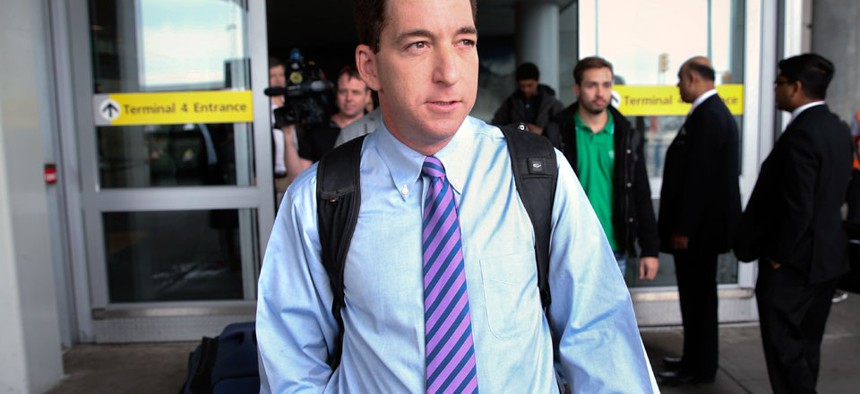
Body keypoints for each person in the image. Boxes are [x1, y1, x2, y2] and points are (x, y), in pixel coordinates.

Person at [256, 0, 659, 392]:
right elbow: (290, 364)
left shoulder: (538, 174)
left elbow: (601, 339)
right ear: (370, 66)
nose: (449, 72)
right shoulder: (319, 199)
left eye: (464, 42)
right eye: (419, 44)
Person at [734, 53, 853, 394]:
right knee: (806, 345)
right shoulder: (837, 128)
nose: (774, 89)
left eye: (779, 83)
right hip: (827, 259)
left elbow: (797, 207)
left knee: (785, 349)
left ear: (796, 87)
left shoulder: (802, 134)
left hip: (794, 265)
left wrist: (778, 256)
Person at [657, 56, 741, 384]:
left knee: (699, 302)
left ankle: (699, 369)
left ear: (692, 78)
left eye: (679, 79)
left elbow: (699, 179)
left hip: (698, 234)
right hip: (699, 232)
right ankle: (693, 359)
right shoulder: (710, 113)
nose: (677, 86)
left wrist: (683, 229)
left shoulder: (709, 116)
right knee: (695, 301)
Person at [543, 56, 659, 281]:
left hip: (614, 249)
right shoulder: (557, 132)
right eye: (591, 85)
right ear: (577, 89)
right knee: (571, 317)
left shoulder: (627, 135)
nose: (600, 93)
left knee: (614, 316)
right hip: (570, 248)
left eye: (606, 85)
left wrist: (650, 249)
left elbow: (640, 192)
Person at [281, 65, 370, 182]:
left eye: (355, 92)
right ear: (336, 93)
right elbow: (297, 179)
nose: (349, 98)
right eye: (343, 91)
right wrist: (288, 135)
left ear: (367, 96)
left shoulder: (378, 128)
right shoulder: (318, 131)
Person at [491, 62, 564, 135]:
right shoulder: (511, 103)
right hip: (518, 143)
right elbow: (496, 125)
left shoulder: (551, 103)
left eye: (530, 85)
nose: (526, 89)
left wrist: (543, 131)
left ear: (537, 81)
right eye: (522, 86)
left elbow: (562, 128)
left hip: (544, 144)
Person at [268, 57, 290, 200]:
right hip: (267, 177)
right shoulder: (260, 108)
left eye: (281, 75)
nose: (278, 80)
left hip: (291, 176)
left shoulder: (292, 105)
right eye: (273, 76)